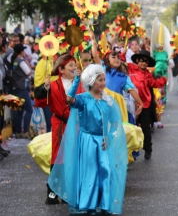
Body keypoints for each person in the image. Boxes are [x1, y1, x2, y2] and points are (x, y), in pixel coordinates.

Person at [48, 64, 127, 215]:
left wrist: (110, 137)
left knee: (106, 170)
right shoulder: (83, 99)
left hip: (102, 141)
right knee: (90, 172)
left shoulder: (108, 100)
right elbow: (70, 99)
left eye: (104, 80)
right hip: (88, 141)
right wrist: (77, 79)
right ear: (91, 82)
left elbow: (116, 122)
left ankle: (105, 204)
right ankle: (88, 204)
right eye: (100, 80)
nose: (103, 83)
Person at [34, 53, 80, 204]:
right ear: (61, 69)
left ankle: (69, 191)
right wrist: (45, 87)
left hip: (76, 125)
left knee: (74, 157)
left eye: (75, 65)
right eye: (71, 65)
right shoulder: (52, 85)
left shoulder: (80, 84)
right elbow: (40, 103)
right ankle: (52, 192)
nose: (74, 68)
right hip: (59, 124)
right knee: (57, 157)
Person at [128, 50, 166, 159]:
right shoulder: (130, 68)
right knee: (131, 126)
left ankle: (148, 149)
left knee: (145, 128)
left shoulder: (148, 74)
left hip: (144, 104)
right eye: (141, 61)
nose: (143, 63)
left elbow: (154, 84)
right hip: (131, 104)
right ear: (136, 60)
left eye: (146, 61)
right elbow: (120, 64)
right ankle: (132, 151)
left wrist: (163, 80)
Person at [9, 43, 33, 139]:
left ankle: (18, 132)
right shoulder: (21, 61)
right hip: (22, 89)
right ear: (21, 52)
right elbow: (28, 72)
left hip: (15, 88)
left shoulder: (14, 61)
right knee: (29, 110)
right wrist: (27, 62)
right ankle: (26, 131)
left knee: (20, 111)